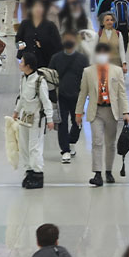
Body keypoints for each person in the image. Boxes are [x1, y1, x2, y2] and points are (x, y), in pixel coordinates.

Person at [75, 42, 128, 187]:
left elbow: (122, 93)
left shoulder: (117, 71)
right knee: (97, 142)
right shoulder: (88, 72)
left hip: (112, 110)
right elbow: (83, 93)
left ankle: (109, 171)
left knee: (110, 143)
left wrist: (126, 112)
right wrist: (78, 112)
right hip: (96, 111)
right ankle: (97, 173)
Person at [14, 54, 56, 189]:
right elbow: (22, 98)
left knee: (34, 147)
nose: (20, 64)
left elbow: (46, 101)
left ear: (28, 66)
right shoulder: (23, 79)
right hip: (24, 117)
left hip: (36, 119)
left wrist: (50, 119)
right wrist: (16, 111)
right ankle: (29, 171)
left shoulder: (39, 81)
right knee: (24, 146)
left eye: (22, 62)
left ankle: (38, 174)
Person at [50, 31, 89, 163]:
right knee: (62, 123)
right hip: (61, 96)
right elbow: (50, 77)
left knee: (77, 122)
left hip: (78, 96)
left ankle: (71, 140)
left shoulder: (82, 59)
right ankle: (65, 150)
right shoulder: (56, 58)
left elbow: (87, 77)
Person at [17, 0, 62, 69]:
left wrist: (43, 45)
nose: (38, 10)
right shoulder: (25, 24)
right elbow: (18, 40)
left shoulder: (50, 25)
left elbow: (57, 45)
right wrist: (23, 46)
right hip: (28, 63)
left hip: (45, 61)